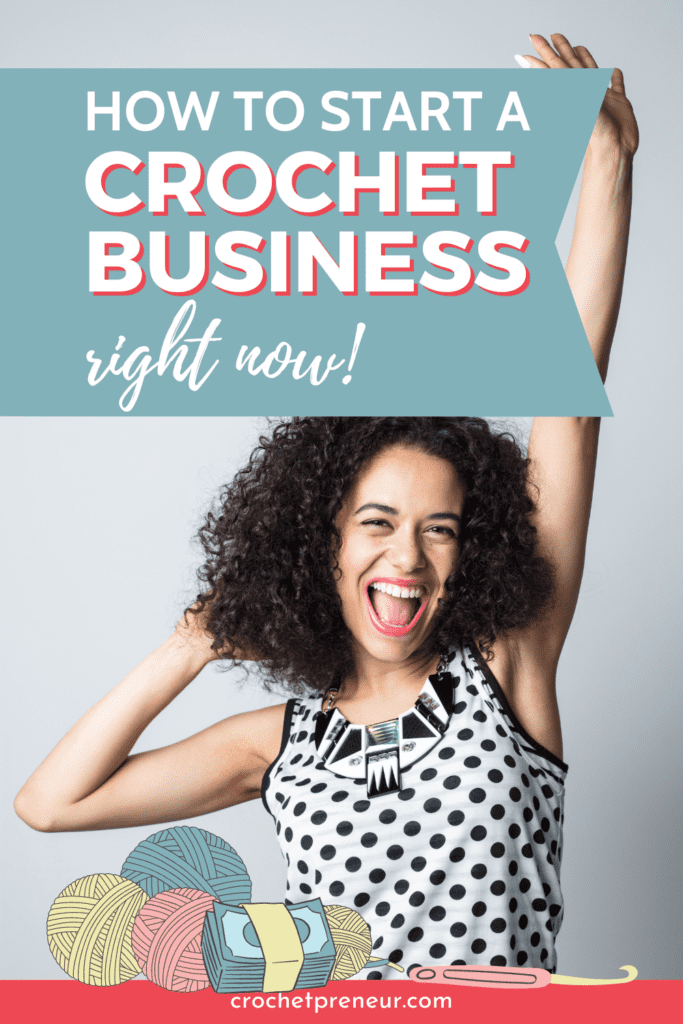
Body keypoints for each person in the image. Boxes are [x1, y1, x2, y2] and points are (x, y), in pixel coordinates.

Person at [14, 35, 638, 976]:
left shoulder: (506, 669)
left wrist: (603, 165)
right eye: (379, 523)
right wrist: (191, 645)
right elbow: (50, 804)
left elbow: (568, 400)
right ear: (326, 543)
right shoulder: (278, 744)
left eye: (441, 529)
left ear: (474, 554)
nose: (410, 557)